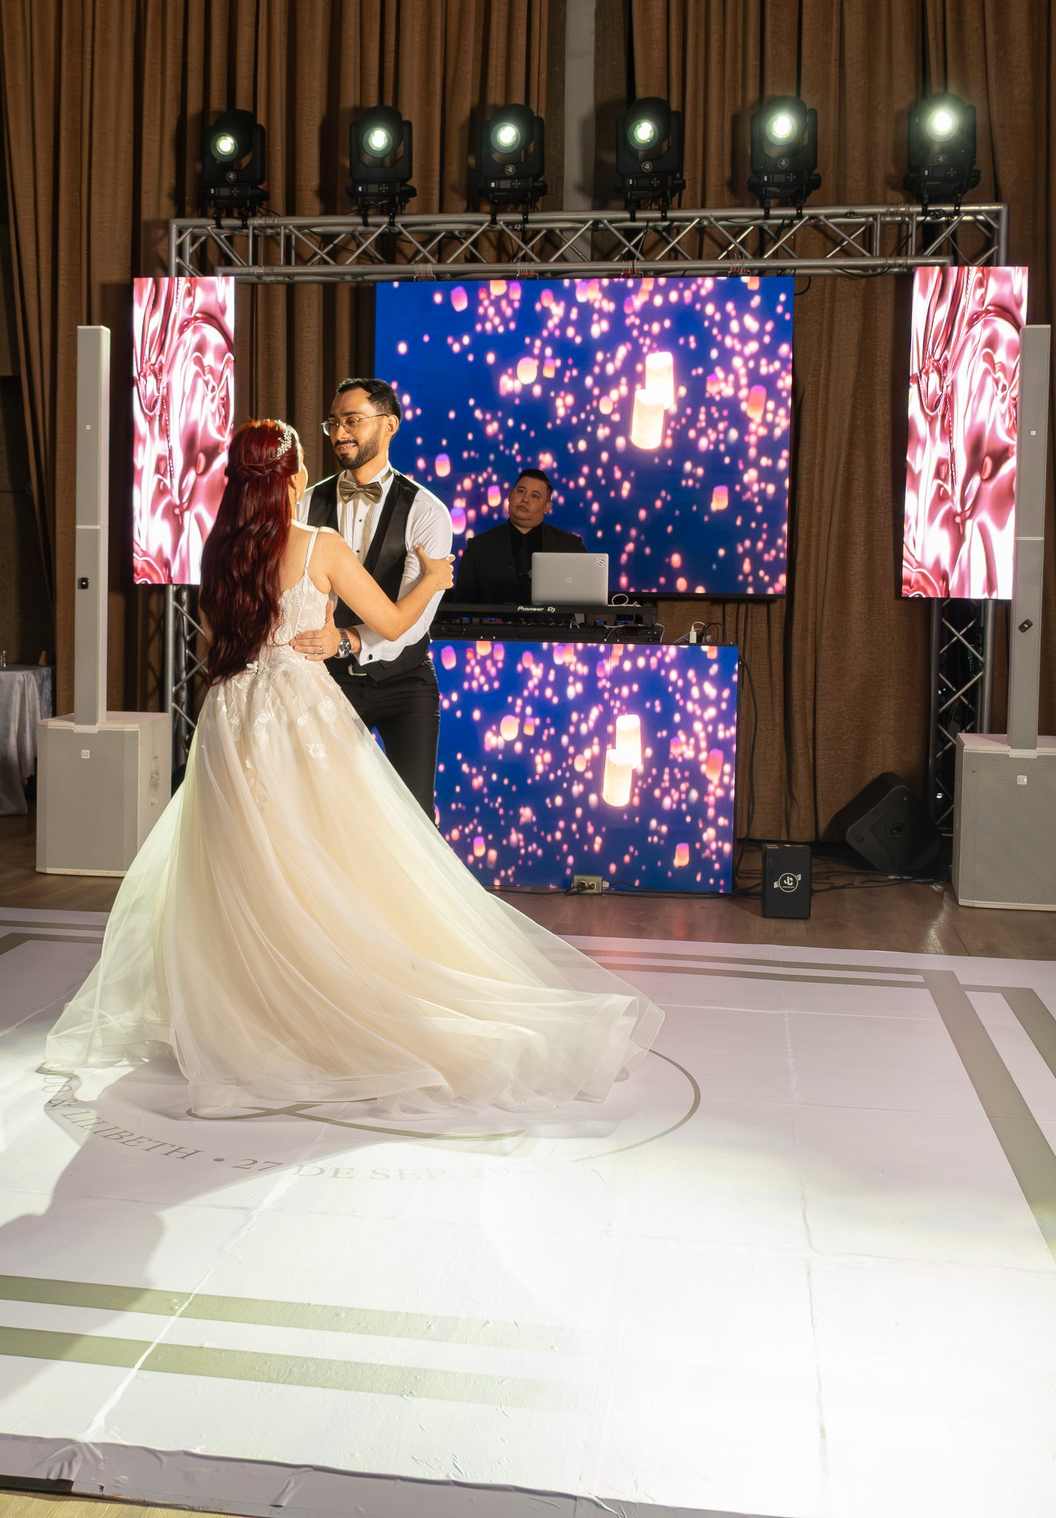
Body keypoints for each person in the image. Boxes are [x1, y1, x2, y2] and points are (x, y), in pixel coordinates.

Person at [44, 419, 661, 1114]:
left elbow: (220, 638)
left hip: (232, 711)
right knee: (328, 857)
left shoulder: (219, 548)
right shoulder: (321, 546)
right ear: (292, 477)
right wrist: (431, 578)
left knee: (242, 863)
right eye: (302, 459)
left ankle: (253, 1008)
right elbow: (393, 627)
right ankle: (321, 997)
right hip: (298, 707)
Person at [293, 380, 451, 815]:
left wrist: (344, 640)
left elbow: (412, 618)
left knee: (414, 817)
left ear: (389, 425)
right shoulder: (306, 504)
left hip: (406, 682)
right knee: (327, 812)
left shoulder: (427, 512)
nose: (339, 433)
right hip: (327, 682)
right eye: (333, 423)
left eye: (352, 421)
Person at [450, 466, 587, 603]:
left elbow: (588, 603)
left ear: (547, 507)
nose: (525, 499)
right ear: (510, 495)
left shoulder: (571, 546)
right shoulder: (478, 547)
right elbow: (463, 606)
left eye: (534, 496)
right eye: (521, 492)